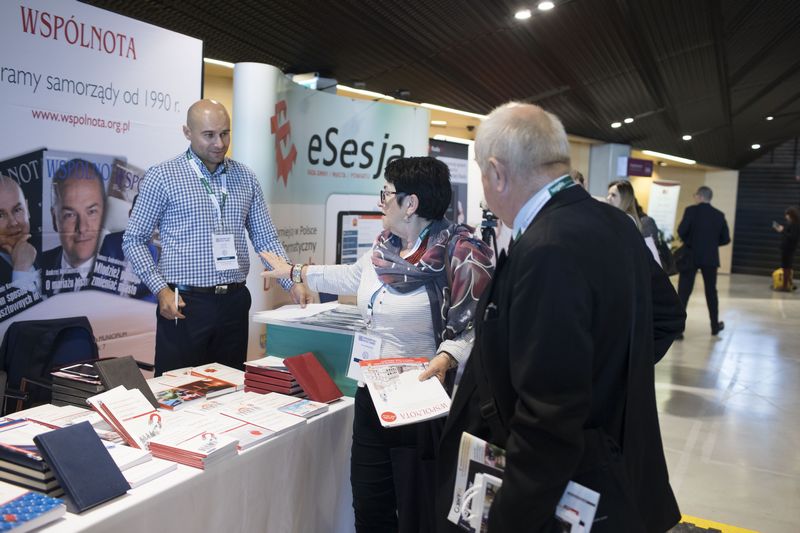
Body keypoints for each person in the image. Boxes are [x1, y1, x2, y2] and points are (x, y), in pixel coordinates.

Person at [435, 102, 685, 532]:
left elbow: (547, 419)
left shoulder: (547, 247)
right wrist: (608, 382)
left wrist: (507, 519)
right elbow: (666, 317)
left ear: (496, 172)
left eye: (481, 174)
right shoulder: (614, 223)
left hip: (558, 490)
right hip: (614, 473)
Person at [261, 156, 494, 533]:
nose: (380, 201)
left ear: (410, 203)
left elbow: (474, 326)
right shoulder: (385, 249)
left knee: (418, 513)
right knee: (370, 506)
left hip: (422, 403)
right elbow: (350, 277)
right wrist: (295, 272)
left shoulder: (461, 253)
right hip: (372, 395)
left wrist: (446, 356)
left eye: (386, 194)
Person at [123, 99, 310, 376]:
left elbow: (266, 238)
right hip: (184, 304)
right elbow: (134, 239)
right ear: (187, 132)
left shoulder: (245, 177)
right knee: (178, 389)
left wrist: (291, 280)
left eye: (225, 133)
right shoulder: (162, 176)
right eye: (209, 135)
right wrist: (161, 290)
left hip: (234, 303)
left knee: (230, 388)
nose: (219, 143)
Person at [41, 158, 105, 295]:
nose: (82, 228)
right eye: (70, 215)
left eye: (91, 212)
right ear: (54, 219)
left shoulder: (125, 274)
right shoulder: (36, 267)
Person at [676, 185, 731, 336]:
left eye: (695, 195)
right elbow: (726, 238)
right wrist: (712, 244)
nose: (694, 197)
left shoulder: (690, 211)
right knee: (711, 292)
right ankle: (714, 326)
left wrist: (690, 241)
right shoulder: (719, 215)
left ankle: (678, 330)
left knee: (684, 292)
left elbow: (681, 231)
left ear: (700, 196)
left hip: (690, 255)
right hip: (710, 257)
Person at [0, 176, 39, 291]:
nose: (13, 222)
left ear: (27, 209)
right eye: (0, 215)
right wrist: (21, 269)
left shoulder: (52, 249)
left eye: (17, 210)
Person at [772, 205, 800, 291]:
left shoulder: (795, 224)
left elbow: (792, 237)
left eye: (787, 214)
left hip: (789, 248)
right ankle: (789, 284)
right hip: (787, 247)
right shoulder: (792, 223)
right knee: (787, 267)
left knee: (786, 267)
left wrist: (782, 230)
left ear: (791, 215)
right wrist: (783, 229)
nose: (786, 216)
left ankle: (785, 286)